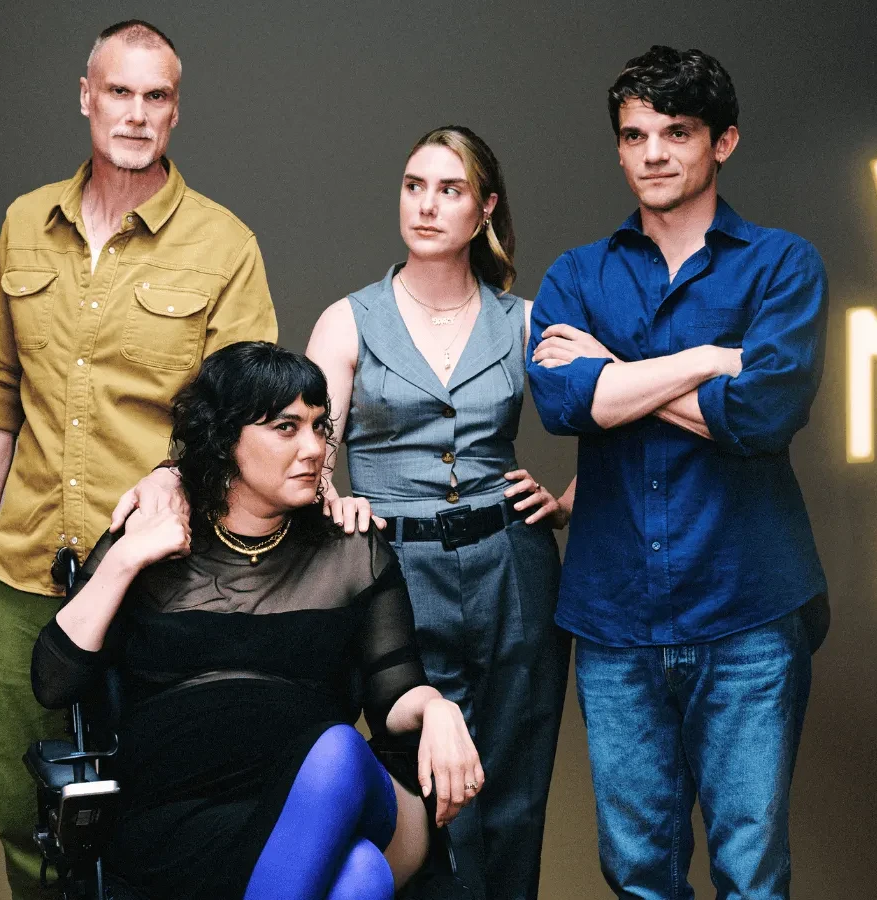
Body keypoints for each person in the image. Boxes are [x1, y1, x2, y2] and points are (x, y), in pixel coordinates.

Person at [0, 20, 277, 897]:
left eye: (157, 96)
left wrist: (176, 480)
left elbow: (250, 415)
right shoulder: (25, 222)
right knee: (31, 811)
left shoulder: (223, 243)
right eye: (121, 92)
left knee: (158, 811)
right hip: (22, 573)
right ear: (87, 96)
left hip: (160, 583)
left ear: (175, 111)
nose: (136, 114)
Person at [527, 46, 830, 899]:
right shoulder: (576, 275)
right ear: (619, 148)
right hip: (615, 617)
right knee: (636, 874)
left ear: (723, 142)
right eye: (635, 135)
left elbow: (762, 417)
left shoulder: (781, 265)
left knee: (750, 871)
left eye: (677, 132)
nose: (653, 153)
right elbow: (563, 405)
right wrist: (704, 359)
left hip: (749, 612)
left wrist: (615, 372)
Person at [32, 341, 481, 900]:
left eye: (320, 427)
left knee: (339, 751)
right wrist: (125, 558)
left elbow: (395, 694)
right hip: (174, 821)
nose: (315, 448)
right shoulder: (150, 535)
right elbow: (54, 683)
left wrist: (436, 707)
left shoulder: (350, 549)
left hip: (327, 796)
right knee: (360, 877)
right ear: (224, 439)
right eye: (286, 428)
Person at [301, 125, 572, 900]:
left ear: (485, 207)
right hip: (395, 572)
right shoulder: (349, 320)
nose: (425, 205)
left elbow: (623, 415)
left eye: (449, 190)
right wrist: (333, 497)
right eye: (414, 185)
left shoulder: (525, 320)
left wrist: (562, 501)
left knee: (515, 791)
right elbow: (306, 451)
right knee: (422, 791)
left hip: (513, 570)